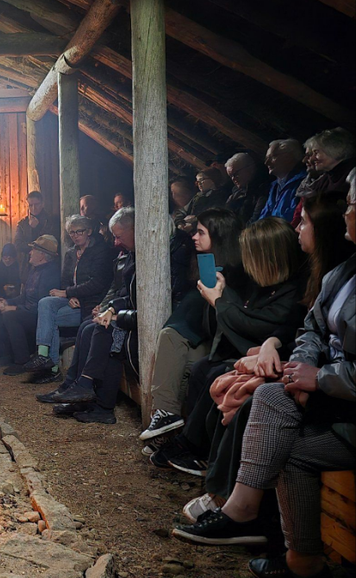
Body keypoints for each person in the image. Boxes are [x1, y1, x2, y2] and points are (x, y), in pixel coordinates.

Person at [171, 176, 354, 576]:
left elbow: (258, 324)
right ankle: (290, 551)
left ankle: (231, 502)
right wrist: (293, 361)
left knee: (255, 395)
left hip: (339, 399)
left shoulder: (299, 282)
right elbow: (310, 330)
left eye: (302, 222)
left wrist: (317, 377)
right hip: (311, 379)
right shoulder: (339, 274)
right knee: (234, 381)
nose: (295, 228)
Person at [151, 218, 309, 478]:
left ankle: (195, 449)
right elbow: (244, 316)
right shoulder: (261, 285)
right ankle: (191, 444)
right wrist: (223, 298)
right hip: (249, 352)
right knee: (202, 368)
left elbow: (256, 326)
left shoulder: (292, 292)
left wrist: (220, 301)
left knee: (215, 372)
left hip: (270, 360)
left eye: (250, 255)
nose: (245, 262)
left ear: (266, 257)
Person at [140, 209, 244, 442]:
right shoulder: (203, 266)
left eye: (200, 232)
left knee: (184, 357)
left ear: (218, 235)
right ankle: (167, 421)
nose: (194, 237)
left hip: (226, 343)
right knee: (174, 344)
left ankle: (170, 424)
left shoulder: (237, 273)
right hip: (206, 337)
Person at [36, 208, 137, 424]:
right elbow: (118, 290)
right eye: (71, 232)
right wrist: (107, 306)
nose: (116, 241)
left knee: (98, 330)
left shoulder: (110, 253)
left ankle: (91, 394)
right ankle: (74, 387)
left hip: (127, 316)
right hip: (114, 310)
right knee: (87, 327)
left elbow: (106, 285)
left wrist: (107, 307)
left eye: (119, 236)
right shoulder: (124, 255)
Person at [25, 216, 113, 376]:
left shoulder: (100, 251)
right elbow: (65, 280)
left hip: (92, 304)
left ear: (89, 231)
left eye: (79, 231)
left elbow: (98, 283)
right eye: (72, 232)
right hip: (74, 302)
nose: (75, 235)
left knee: (50, 318)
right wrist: (70, 296)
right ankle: (43, 356)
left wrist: (68, 293)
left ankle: (52, 370)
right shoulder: (71, 253)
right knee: (46, 303)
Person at [0, 236, 61, 375]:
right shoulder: (35, 269)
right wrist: (7, 302)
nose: (30, 252)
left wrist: (13, 308)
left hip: (39, 316)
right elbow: (25, 296)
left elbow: (41, 304)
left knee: (10, 316)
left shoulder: (49, 273)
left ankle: (21, 360)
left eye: (33, 250)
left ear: (41, 255)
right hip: (27, 310)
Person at [292, 127, 356, 227]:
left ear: (336, 149)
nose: (312, 159)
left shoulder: (352, 176)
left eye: (316, 153)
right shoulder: (324, 180)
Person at [14, 191, 60, 281]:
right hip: (27, 266)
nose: (34, 208)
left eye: (37, 204)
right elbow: (18, 245)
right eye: (31, 205)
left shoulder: (52, 220)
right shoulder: (23, 223)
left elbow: (50, 243)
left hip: (46, 266)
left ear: (42, 203)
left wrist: (36, 229)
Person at [258, 138, 308, 222]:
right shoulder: (275, 186)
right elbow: (264, 215)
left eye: (272, 157)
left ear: (289, 157)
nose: (266, 162)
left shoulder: (303, 182)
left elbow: (290, 219)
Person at [225, 153, 270, 225]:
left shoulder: (264, 188)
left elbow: (256, 218)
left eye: (236, 173)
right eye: (231, 176)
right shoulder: (236, 193)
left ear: (250, 168)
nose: (233, 178)